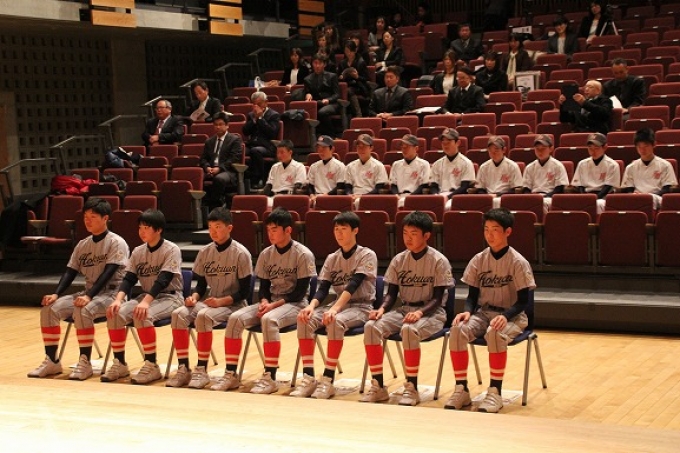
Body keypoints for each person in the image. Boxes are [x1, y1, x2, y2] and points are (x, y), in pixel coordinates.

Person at [446, 207, 536, 413]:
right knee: (457, 330)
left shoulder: (518, 262)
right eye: (486, 229)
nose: (489, 234)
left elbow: (523, 301)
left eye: (495, 229)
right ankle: (461, 388)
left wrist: (505, 316)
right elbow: (472, 296)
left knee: (494, 334)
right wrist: (467, 311)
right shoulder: (478, 259)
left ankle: (495, 392)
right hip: (484, 313)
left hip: (513, 315)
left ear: (507, 232)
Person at [27, 198, 129, 380]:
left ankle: (85, 362)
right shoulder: (83, 244)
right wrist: (56, 294)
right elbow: (70, 272)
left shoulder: (116, 242)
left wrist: (89, 296)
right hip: (89, 292)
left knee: (83, 310)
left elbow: (108, 272)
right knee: (49, 309)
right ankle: (52, 361)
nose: (87, 220)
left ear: (105, 218)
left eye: (93, 216)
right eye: (85, 216)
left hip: (113, 294)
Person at [220, 207, 317, 394]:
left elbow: (300, 292)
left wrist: (272, 306)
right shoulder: (266, 254)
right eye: (268, 230)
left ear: (288, 230)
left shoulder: (303, 254)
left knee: (269, 319)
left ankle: (270, 377)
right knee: (235, 318)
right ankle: (231, 374)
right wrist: (264, 300)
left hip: (295, 304)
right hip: (271, 302)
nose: (270, 234)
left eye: (274, 229)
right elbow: (263, 285)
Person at [362, 211, 454, 405]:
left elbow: (438, 298)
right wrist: (381, 309)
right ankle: (378, 386)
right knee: (371, 326)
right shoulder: (399, 260)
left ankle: (411, 388)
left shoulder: (439, 260)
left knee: (409, 330)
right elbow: (391, 294)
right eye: (405, 233)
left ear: (426, 235)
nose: (408, 238)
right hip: (405, 310)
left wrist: (419, 312)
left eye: (413, 233)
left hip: (432, 313)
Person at [293, 211, 378, 399]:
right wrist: (311, 306)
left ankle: (328, 380)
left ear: (355, 230)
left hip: (362, 306)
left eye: (343, 229)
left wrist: (334, 309)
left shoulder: (367, 254)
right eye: (336, 229)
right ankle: (308, 377)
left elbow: (353, 285)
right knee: (304, 319)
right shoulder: (332, 257)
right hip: (338, 305)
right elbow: (323, 288)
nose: (339, 233)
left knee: (334, 321)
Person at [165, 208, 252, 389]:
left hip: (234, 304)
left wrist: (221, 301)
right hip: (212, 302)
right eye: (210, 227)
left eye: (217, 227)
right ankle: (183, 368)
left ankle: (202, 370)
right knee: (178, 314)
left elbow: (244, 292)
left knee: (204, 316)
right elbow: (201, 285)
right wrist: (194, 297)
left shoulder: (241, 253)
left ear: (229, 228)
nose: (213, 231)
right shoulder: (205, 252)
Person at [101, 209, 184, 384]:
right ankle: (120, 363)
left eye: (146, 228)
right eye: (140, 228)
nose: (142, 231)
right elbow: (129, 279)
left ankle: (151, 365)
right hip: (147, 297)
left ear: (159, 230)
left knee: (142, 314)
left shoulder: (172, 249)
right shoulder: (138, 251)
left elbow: (163, 280)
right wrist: (118, 300)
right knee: (114, 313)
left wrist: (146, 302)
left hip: (170, 297)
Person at [620, 128, 678, 210]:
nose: (642, 150)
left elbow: (667, 188)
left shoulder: (665, 165)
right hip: (636, 197)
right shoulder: (631, 167)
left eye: (646, 146)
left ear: (654, 144)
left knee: (650, 199)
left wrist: (648, 196)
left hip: (657, 197)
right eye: (639, 146)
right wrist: (633, 195)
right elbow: (628, 188)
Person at [199, 112, 242, 210]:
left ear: (227, 125)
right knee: (195, 177)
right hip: (210, 170)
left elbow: (234, 159)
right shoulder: (209, 141)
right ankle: (200, 206)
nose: (218, 127)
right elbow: (203, 158)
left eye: (220, 124)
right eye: (215, 125)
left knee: (219, 179)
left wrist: (219, 168)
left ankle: (214, 205)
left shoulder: (235, 140)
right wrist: (207, 167)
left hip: (228, 171)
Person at [570, 132, 621, 214]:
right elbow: (580, 185)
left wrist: (593, 199)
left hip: (603, 197)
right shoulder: (582, 164)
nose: (593, 151)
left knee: (598, 204)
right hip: (586, 194)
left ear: (605, 147)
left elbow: (608, 187)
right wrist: (584, 198)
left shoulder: (612, 165)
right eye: (590, 148)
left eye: (596, 148)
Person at [521, 134, 570, 213]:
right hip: (533, 196)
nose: (540, 151)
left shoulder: (558, 166)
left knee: (542, 203)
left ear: (551, 148)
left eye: (543, 148)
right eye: (537, 149)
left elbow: (559, 189)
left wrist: (544, 196)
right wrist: (531, 197)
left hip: (550, 197)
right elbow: (526, 189)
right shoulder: (530, 167)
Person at [242, 92, 281, 189]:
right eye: (254, 104)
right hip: (252, 144)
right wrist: (254, 120)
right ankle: (242, 179)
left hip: (268, 146)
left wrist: (260, 118)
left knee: (255, 151)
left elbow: (272, 133)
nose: (256, 106)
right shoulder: (251, 115)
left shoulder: (274, 115)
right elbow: (245, 132)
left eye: (259, 104)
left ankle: (258, 179)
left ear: (266, 102)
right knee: (239, 150)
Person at [429, 127, 476, 207]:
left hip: (458, 197)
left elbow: (465, 187)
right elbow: (433, 185)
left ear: (458, 143)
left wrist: (448, 197)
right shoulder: (437, 164)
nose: (445, 144)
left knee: (448, 206)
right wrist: (436, 196)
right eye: (443, 142)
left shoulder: (466, 163)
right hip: (440, 195)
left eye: (448, 141)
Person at [475, 136, 523, 206]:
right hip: (487, 199)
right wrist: (486, 197)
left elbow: (516, 189)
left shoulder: (512, 166)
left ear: (504, 150)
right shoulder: (484, 167)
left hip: (506, 199)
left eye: (496, 150)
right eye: (490, 150)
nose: (493, 153)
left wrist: (498, 195)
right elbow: (480, 188)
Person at [344, 134, 389, 206]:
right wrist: (349, 195)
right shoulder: (350, 166)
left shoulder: (378, 166)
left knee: (358, 202)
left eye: (364, 146)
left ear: (371, 148)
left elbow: (379, 189)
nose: (361, 149)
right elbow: (348, 187)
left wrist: (362, 196)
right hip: (354, 196)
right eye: (359, 146)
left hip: (371, 198)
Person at [303, 53, 341, 137]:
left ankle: (332, 135)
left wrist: (328, 100)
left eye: (319, 63)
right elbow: (307, 92)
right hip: (316, 103)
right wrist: (308, 95)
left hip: (331, 103)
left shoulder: (332, 76)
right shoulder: (307, 79)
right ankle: (313, 137)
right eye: (315, 63)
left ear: (324, 64)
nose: (317, 66)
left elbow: (337, 94)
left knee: (322, 112)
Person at [390, 134, 431, 207]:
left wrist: (410, 198)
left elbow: (424, 185)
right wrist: (396, 195)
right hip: (399, 197)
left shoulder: (424, 164)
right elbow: (393, 184)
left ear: (416, 148)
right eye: (402, 146)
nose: (404, 149)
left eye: (407, 146)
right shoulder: (396, 164)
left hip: (416, 197)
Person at [262, 140, 306, 208]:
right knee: (259, 203)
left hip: (290, 197)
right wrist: (261, 197)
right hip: (274, 197)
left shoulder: (299, 166)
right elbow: (269, 185)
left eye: (282, 152)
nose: (279, 155)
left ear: (290, 152)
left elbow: (298, 187)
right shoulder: (275, 167)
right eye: (278, 153)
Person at [306, 135, 346, 201]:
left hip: (332, 198)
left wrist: (325, 196)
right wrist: (312, 196)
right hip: (316, 196)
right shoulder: (314, 166)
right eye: (319, 148)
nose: (321, 151)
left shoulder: (340, 166)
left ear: (332, 149)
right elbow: (310, 186)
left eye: (324, 148)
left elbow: (340, 187)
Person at [337, 40, 371, 118]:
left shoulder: (361, 62)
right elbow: (337, 77)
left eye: (350, 51)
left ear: (355, 51)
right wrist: (341, 77)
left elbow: (366, 79)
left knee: (349, 91)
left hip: (358, 86)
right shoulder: (342, 63)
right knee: (345, 90)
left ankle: (358, 114)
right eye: (346, 51)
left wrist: (357, 77)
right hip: (346, 85)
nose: (348, 53)